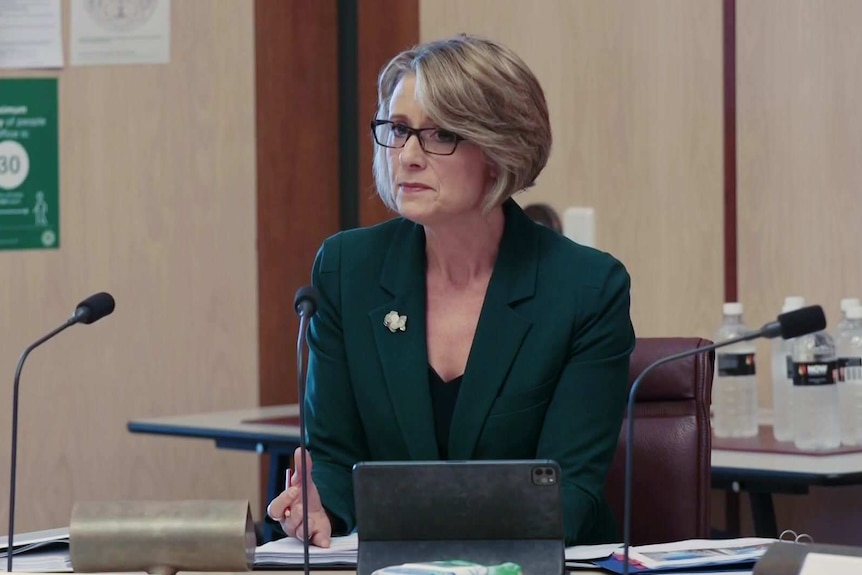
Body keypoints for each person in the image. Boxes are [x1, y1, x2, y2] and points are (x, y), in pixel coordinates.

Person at [267, 34, 635, 548]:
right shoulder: (347, 270)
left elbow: (569, 494)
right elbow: (333, 456)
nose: (409, 156)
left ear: (499, 148)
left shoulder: (585, 289)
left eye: (440, 134)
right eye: (398, 130)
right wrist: (320, 505)